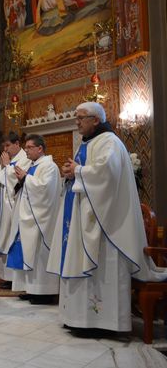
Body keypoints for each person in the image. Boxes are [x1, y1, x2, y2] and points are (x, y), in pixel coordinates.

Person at [47, 102, 167, 334]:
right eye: (76, 117)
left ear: (95, 120)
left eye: (81, 118)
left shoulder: (109, 142)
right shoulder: (90, 142)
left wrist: (78, 171)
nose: (77, 122)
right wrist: (71, 173)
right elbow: (86, 171)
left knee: (102, 270)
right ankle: (78, 319)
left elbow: (107, 174)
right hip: (84, 216)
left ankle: (103, 323)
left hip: (105, 224)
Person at [8, 134, 61, 304]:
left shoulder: (49, 166)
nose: (27, 150)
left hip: (41, 218)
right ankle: (31, 289)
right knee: (29, 252)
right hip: (29, 215)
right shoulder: (34, 165)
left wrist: (25, 178)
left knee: (38, 253)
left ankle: (44, 291)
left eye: (30, 147)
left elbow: (44, 189)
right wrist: (21, 180)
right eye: (26, 147)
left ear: (40, 149)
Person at [0, 132, 31, 289]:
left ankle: (12, 279)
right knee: (2, 236)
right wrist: (4, 168)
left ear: (17, 144)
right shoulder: (8, 159)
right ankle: (5, 277)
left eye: (7, 145)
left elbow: (16, 179)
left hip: (12, 204)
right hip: (1, 205)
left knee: (10, 239)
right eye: (3, 146)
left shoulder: (25, 159)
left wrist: (6, 166)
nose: (5, 149)